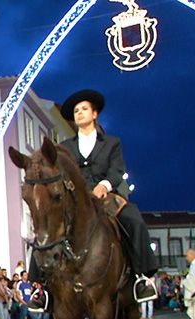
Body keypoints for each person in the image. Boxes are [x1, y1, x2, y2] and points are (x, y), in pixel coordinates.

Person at [59, 89, 158, 303]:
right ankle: (43, 289)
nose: (79, 113)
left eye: (84, 109)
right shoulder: (65, 147)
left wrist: (104, 185)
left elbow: (117, 170)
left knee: (134, 219)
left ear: (94, 114)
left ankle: (142, 277)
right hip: (77, 200)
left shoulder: (112, 143)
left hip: (107, 196)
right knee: (47, 226)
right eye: (76, 111)